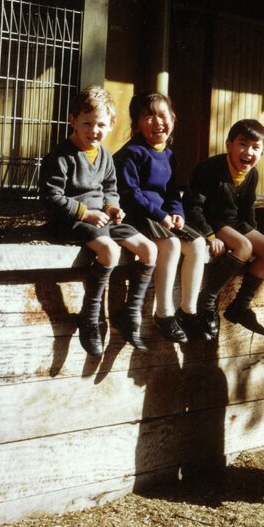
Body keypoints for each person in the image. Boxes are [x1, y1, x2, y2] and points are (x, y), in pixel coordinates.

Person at [40, 86, 156, 356]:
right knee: (110, 251)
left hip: (102, 219)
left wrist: (112, 207)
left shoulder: (105, 155)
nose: (94, 131)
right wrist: (84, 212)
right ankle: (90, 315)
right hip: (71, 220)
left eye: (101, 125)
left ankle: (131, 314)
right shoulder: (60, 156)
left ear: (111, 124)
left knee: (149, 249)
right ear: (73, 121)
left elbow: (110, 189)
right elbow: (51, 197)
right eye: (87, 124)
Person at [114, 92, 207, 343]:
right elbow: (130, 195)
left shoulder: (168, 154)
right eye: (148, 116)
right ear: (136, 124)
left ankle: (188, 311)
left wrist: (176, 212)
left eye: (162, 115)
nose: (157, 122)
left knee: (198, 244)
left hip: (161, 216)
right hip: (137, 214)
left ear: (173, 119)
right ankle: (164, 313)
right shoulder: (132, 153)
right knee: (171, 244)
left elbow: (171, 192)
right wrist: (161, 215)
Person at [185, 118, 264, 340]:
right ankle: (207, 300)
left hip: (234, 223)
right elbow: (193, 206)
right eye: (243, 144)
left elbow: (248, 208)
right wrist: (208, 235)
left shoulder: (252, 174)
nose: (248, 152)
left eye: (256, 147)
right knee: (243, 247)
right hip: (210, 221)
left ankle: (240, 306)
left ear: (263, 153)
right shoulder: (209, 169)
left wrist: (255, 232)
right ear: (229, 145)